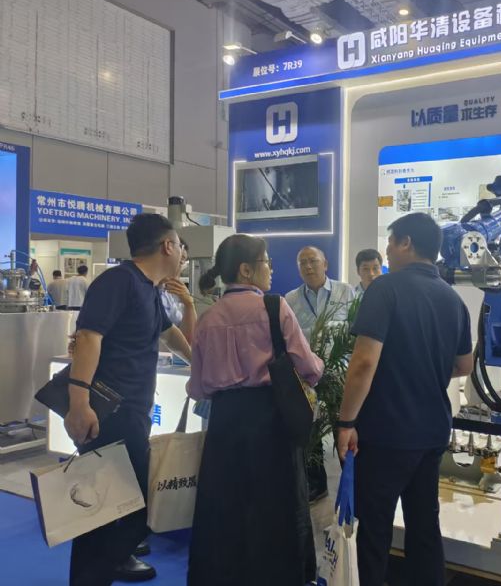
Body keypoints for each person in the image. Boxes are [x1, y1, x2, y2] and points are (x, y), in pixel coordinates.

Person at [336, 213, 473, 586]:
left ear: (406, 243)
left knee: (374, 529)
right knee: (424, 526)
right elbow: (463, 365)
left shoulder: (385, 289)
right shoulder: (453, 299)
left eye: (390, 242)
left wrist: (346, 422)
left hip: (386, 433)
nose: (386, 251)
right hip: (432, 433)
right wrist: (424, 370)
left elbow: (363, 363)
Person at [187, 235, 323, 585]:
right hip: (271, 418)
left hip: (224, 423)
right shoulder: (275, 307)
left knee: (225, 507)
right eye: (266, 262)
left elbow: (197, 388)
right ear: (246, 270)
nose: (271, 270)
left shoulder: (208, 317)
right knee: (278, 506)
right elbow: (309, 369)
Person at [65, 213, 192, 585]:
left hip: (133, 414)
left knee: (118, 507)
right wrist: (78, 402)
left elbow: (168, 334)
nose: (183, 254)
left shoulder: (149, 288)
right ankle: (97, 573)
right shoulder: (119, 281)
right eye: (180, 246)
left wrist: (199, 364)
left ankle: (108, 566)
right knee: (120, 506)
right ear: (167, 245)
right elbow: (88, 337)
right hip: (110, 414)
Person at [285, 245, 355, 502]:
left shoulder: (345, 292)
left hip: (339, 373)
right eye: (302, 262)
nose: (308, 266)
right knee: (310, 429)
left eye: (313, 261)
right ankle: (316, 483)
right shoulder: (291, 299)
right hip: (306, 375)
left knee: (342, 427)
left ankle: (351, 482)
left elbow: (355, 332)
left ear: (325, 264)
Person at [159, 237, 197, 344]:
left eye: (182, 259)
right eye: (176, 257)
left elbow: (189, 339)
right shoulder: (145, 288)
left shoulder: (171, 293)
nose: (178, 263)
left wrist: (189, 304)